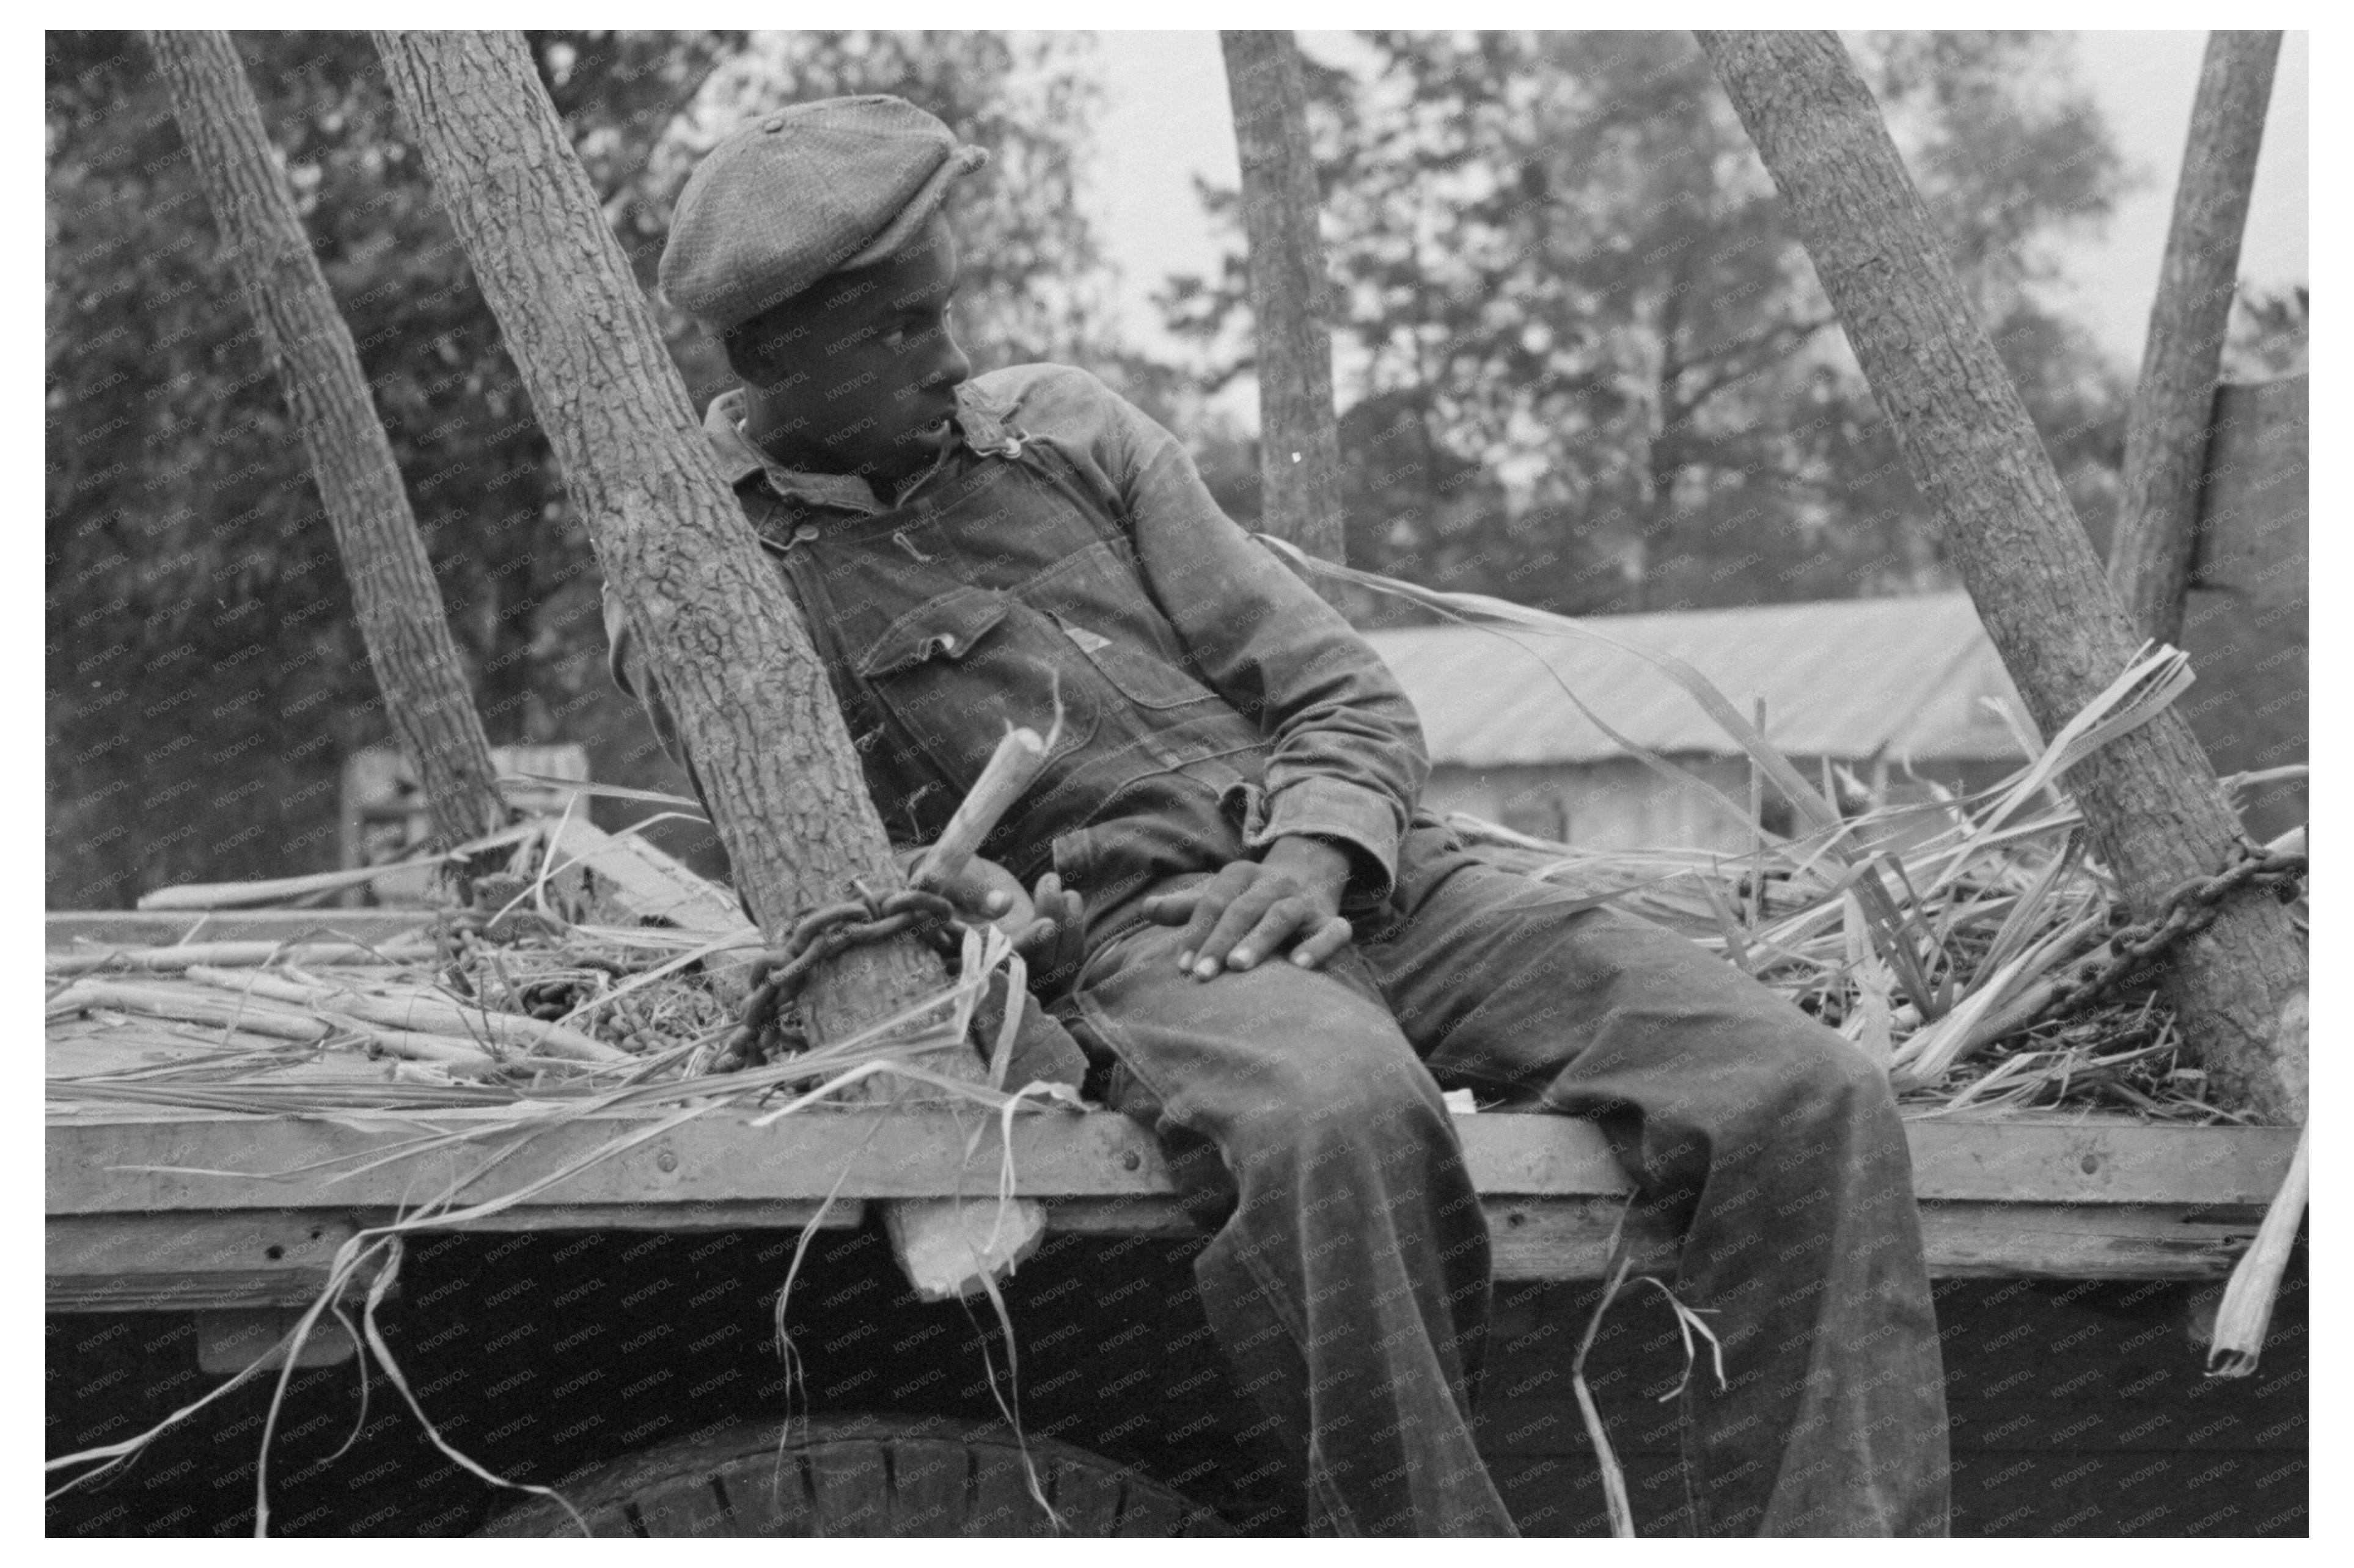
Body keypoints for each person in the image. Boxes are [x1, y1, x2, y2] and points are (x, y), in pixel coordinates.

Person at [604, 95, 1950, 1537]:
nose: (949, 356)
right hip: (1156, 944)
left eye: (948, 311)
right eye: (898, 332)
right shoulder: (710, 583)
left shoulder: (1068, 430)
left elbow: (1340, 690)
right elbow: (825, 885)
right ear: (775, 357)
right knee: (1342, 1126)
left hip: (1379, 879)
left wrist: (1320, 842)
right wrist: (983, 923)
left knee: (1798, 1090)